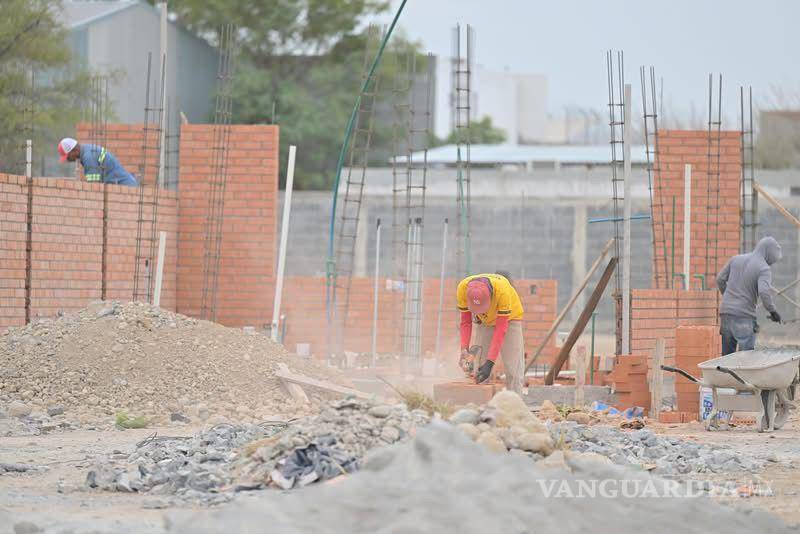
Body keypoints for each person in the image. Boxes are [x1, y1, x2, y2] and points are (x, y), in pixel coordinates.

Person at [456, 272, 525, 394]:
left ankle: (515, 403)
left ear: (491, 296)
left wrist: (490, 362)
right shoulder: (463, 288)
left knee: (512, 367)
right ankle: (480, 404)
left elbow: (500, 330)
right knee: (480, 367)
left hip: (510, 319)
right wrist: (464, 350)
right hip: (485, 321)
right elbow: (465, 322)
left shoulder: (502, 291)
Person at [716, 236, 783, 355]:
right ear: (768, 253)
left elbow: (720, 279)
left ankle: (724, 374)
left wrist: (728, 297)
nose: (770, 264)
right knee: (746, 359)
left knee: (726, 358)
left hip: (726, 314)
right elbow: (764, 292)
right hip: (744, 317)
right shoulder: (763, 268)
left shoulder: (735, 259)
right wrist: (773, 311)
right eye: (771, 260)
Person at [57, 137, 137, 187]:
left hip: (125, 186)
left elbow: (94, 186)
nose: (68, 160)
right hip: (124, 185)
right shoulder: (87, 150)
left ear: (74, 151)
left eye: (68, 156)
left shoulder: (88, 157)